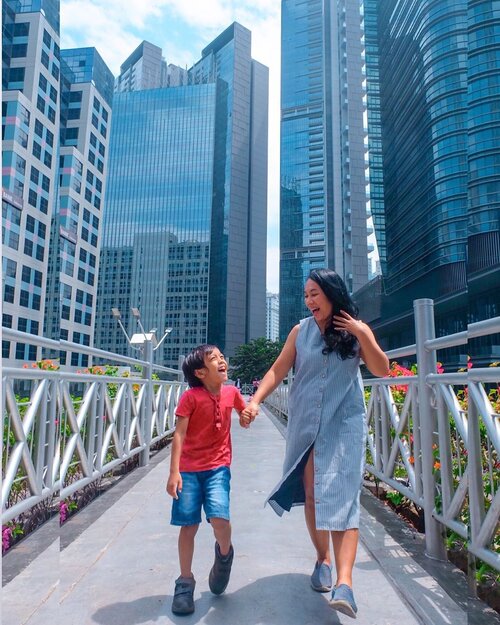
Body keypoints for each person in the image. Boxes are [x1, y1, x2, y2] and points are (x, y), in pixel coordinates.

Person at [242, 268, 389, 619]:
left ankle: (345, 583)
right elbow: (278, 370)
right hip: (306, 425)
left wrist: (363, 333)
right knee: (312, 495)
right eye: (306, 295)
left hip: (344, 424)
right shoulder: (300, 331)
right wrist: (255, 401)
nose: (309, 301)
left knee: (344, 498)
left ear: (331, 293)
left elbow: (382, 369)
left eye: (314, 294)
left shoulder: (355, 331)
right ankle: (322, 558)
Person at [166, 344, 247, 615]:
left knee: (220, 519)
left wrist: (247, 414)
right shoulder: (190, 398)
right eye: (215, 359)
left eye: (222, 357)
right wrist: (173, 472)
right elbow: (179, 435)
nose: (222, 360)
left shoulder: (232, 392)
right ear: (200, 372)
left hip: (218, 467)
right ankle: (185, 581)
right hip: (188, 469)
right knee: (188, 525)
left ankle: (224, 556)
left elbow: (243, 416)